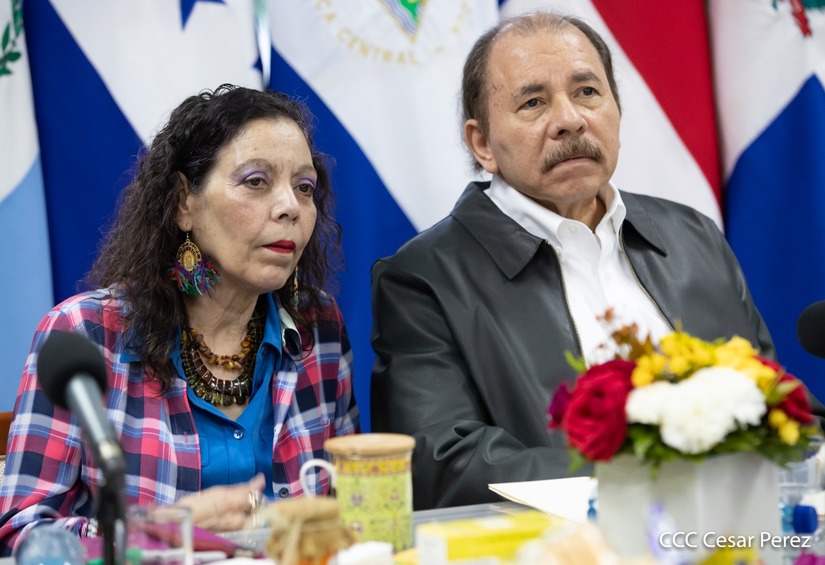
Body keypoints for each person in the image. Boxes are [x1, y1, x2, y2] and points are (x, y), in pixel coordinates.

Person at [370, 12, 776, 509]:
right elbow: (443, 463)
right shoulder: (424, 278)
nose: (570, 120)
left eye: (587, 92)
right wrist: (644, 475)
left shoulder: (693, 237)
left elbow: (777, 406)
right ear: (482, 144)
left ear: (617, 111)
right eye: (533, 102)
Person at [0, 84, 359, 553]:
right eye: (256, 181)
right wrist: (159, 532)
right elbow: (24, 538)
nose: (290, 206)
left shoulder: (319, 329)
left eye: (304, 187)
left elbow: (353, 512)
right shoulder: (87, 334)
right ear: (183, 204)